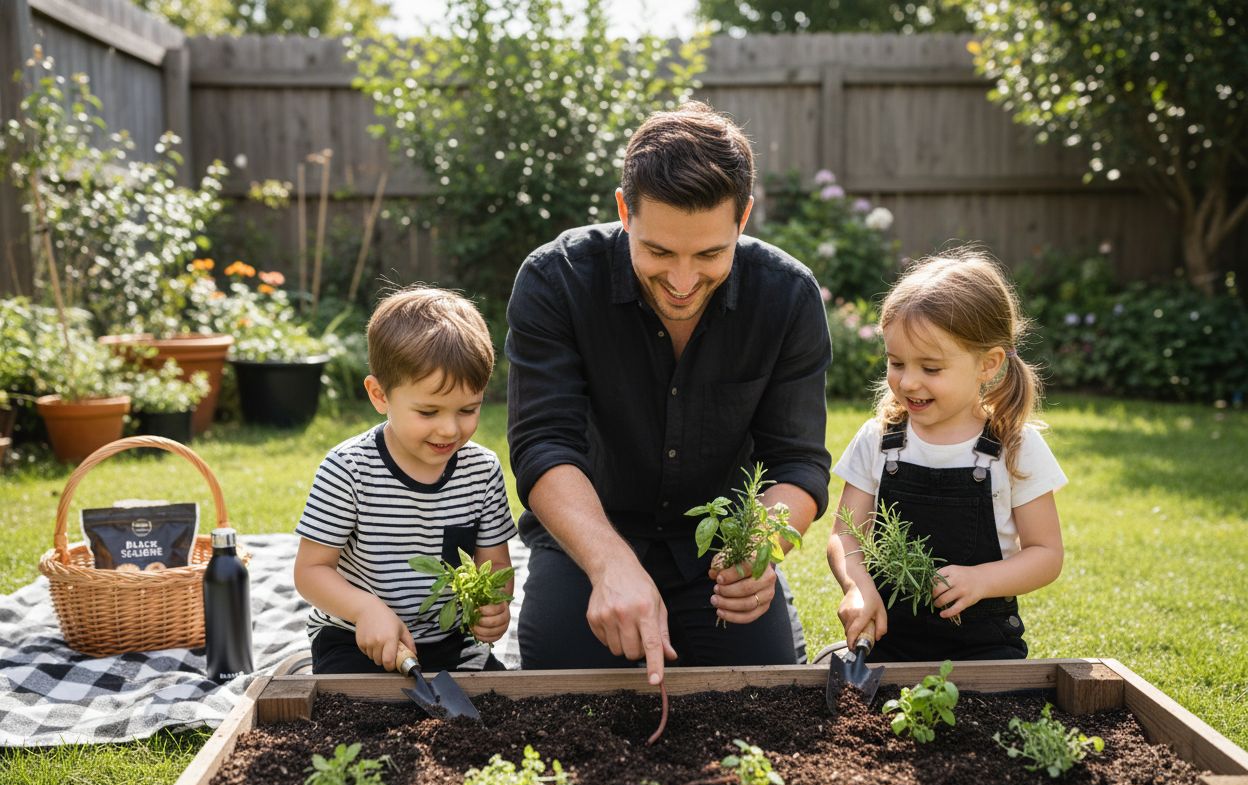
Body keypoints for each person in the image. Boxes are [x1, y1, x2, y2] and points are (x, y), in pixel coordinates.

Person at [506, 102, 833, 686]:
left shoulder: (788, 298)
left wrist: (759, 548)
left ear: (743, 218)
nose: (683, 282)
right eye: (659, 252)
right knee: (556, 691)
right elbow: (543, 446)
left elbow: (799, 463)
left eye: (710, 254)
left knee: (766, 698)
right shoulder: (555, 281)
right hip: (587, 541)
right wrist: (610, 565)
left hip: (719, 552)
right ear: (624, 211)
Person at [826, 248, 1066, 662]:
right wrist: (857, 585)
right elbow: (845, 534)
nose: (908, 381)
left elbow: (1046, 554)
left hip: (984, 650)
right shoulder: (879, 439)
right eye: (896, 362)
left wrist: (982, 580)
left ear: (988, 364)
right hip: (888, 643)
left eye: (931, 368)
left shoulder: (1015, 448)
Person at [293, 287, 516, 674]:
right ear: (380, 395)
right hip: (356, 638)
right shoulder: (348, 469)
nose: (449, 429)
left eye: (468, 409)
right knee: (351, 704)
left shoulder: (482, 470)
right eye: (428, 411)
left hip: (450, 638)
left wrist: (493, 606)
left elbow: (494, 563)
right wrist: (365, 609)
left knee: (495, 699)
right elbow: (310, 571)